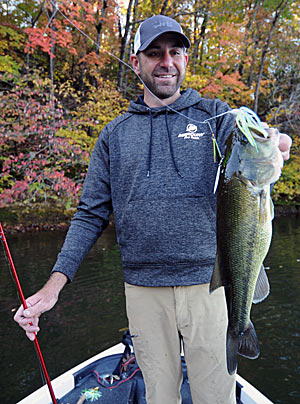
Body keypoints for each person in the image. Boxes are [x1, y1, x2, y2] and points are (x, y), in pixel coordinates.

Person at [14, 15, 292, 404]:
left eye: (175, 52)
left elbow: (257, 152)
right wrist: (53, 286)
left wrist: (277, 144)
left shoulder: (216, 117)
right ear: (136, 61)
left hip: (211, 286)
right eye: (155, 53)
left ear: (185, 59)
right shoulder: (114, 134)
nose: (166, 62)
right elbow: (90, 214)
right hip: (142, 291)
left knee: (216, 396)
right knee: (160, 395)